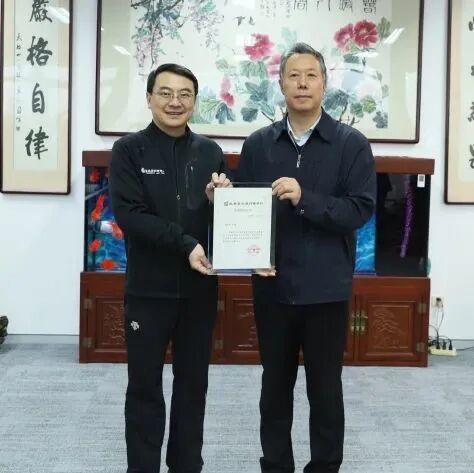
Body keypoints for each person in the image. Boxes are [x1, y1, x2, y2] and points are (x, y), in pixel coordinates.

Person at [236, 43, 376, 473]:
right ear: (280, 84)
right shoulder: (258, 144)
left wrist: (305, 198)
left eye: (311, 75)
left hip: (325, 289)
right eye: (293, 75)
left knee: (325, 390)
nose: (302, 83)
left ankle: (325, 467)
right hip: (272, 286)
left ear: (324, 84)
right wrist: (224, 205)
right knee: (274, 388)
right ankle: (276, 465)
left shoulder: (350, 144)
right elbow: (244, 209)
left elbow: (359, 209)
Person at [109, 63, 230, 473]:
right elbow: (131, 215)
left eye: (184, 94)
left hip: (199, 291)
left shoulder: (210, 152)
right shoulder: (129, 151)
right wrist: (186, 243)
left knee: (193, 389)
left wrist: (219, 202)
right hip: (148, 292)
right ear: (149, 98)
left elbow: (223, 223)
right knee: (145, 389)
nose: (175, 102)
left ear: (194, 102)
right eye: (165, 93)